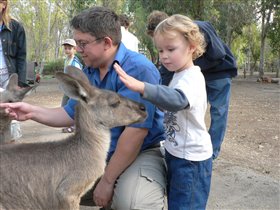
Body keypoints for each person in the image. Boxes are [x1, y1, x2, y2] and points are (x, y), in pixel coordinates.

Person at [0, 6, 166, 210]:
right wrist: (30, 111)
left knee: (132, 203)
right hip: (96, 153)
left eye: (83, 43)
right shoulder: (90, 70)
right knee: (38, 185)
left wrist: (106, 182)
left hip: (137, 152)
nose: (78, 49)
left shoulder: (138, 69)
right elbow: (68, 113)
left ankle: (122, 190)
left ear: (106, 42)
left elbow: (135, 134)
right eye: (77, 43)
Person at [115, 14, 213, 210]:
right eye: (160, 50)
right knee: (176, 201)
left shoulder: (192, 77)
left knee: (186, 205)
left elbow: (177, 100)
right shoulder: (179, 74)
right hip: (176, 153)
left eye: (171, 49)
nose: (164, 56)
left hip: (191, 161)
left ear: (191, 46)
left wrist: (143, 87)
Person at [146, 10, 238, 159]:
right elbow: (165, 75)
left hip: (219, 72)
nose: (164, 53)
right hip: (198, 72)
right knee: (194, 109)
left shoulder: (197, 29)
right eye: (161, 49)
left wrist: (191, 67)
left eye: (169, 48)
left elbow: (219, 53)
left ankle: (212, 153)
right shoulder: (178, 55)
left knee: (218, 112)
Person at [0, 0, 27, 141]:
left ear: (3, 4)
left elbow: (21, 56)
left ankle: (10, 151)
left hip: (9, 78)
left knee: (11, 115)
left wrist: (20, 83)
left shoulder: (15, 27)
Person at [61, 38, 83, 133]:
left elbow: (78, 76)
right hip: (67, 88)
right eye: (65, 48)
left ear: (75, 49)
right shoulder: (67, 59)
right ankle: (68, 124)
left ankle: (73, 126)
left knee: (72, 107)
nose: (67, 50)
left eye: (69, 48)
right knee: (64, 105)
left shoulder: (75, 63)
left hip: (73, 88)